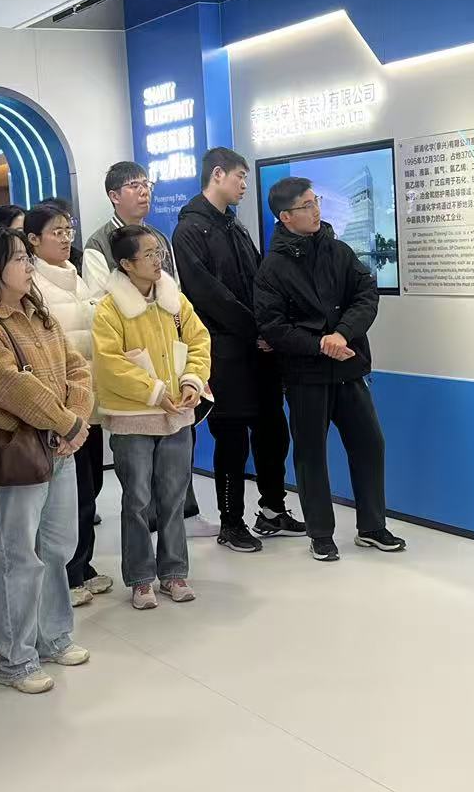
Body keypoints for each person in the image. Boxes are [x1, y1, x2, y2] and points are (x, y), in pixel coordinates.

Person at [0, 226, 94, 695]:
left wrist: (75, 418)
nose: (28, 266)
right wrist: (65, 422)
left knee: (56, 549)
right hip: (15, 454)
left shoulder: (38, 312)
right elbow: (11, 387)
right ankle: (16, 659)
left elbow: (77, 368)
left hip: (58, 447)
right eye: (19, 259)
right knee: (17, 557)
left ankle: (54, 636)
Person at [254, 177, 405, 563]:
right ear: (286, 217)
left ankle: (372, 526)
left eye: (316, 201)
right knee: (310, 455)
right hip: (305, 376)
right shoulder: (272, 268)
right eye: (306, 205)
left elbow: (366, 295)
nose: (316, 210)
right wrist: (321, 343)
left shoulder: (339, 251)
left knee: (370, 443)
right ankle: (320, 533)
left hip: (348, 368)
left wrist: (342, 333)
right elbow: (274, 327)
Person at [172, 148, 306, 553]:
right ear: (217, 174)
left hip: (260, 350)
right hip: (224, 352)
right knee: (231, 439)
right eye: (240, 177)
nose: (245, 185)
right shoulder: (189, 231)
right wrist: (256, 329)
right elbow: (208, 295)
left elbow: (260, 282)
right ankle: (231, 522)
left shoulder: (235, 226)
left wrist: (271, 329)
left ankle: (272, 509)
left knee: (273, 431)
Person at [93, 225, 212, 609]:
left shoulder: (174, 299)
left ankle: (174, 572)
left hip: (178, 416)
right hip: (133, 418)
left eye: (158, 251)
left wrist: (192, 380)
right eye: (148, 254)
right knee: (138, 500)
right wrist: (155, 391)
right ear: (126, 264)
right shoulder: (109, 308)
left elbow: (199, 341)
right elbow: (109, 364)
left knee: (174, 496)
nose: (157, 259)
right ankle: (141, 578)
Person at [25, 203, 112, 605]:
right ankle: (67, 575)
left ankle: (84, 564)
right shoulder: (33, 285)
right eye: (55, 232)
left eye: (67, 230)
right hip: (60, 406)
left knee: (91, 486)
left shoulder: (75, 277)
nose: (64, 238)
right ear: (33, 240)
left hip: (88, 396)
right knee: (69, 494)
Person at [84, 162, 176, 278]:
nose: (144, 192)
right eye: (134, 186)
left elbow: (175, 285)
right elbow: (100, 290)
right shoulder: (98, 245)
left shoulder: (161, 239)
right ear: (114, 196)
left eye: (146, 184)